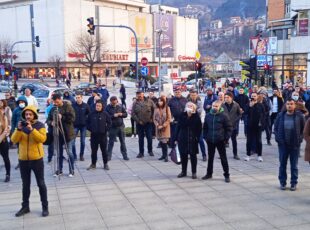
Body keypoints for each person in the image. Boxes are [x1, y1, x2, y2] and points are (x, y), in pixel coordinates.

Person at [11, 105, 48, 217]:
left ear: (34, 115)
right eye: (26, 114)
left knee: (41, 183)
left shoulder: (39, 125)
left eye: (30, 114)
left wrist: (32, 130)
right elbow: (13, 140)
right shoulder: (21, 126)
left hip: (36, 159)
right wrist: (18, 130)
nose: (28, 116)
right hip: (23, 160)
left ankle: (45, 207)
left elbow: (42, 139)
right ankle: (25, 207)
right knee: (25, 185)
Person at [275, 99, 305, 191]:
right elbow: (275, 128)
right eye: (288, 104)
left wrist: (299, 139)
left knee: (294, 165)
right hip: (283, 144)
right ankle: (282, 182)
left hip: (294, 144)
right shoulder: (280, 116)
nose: (289, 106)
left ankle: (293, 183)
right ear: (285, 105)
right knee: (282, 164)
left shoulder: (299, 116)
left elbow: (303, 130)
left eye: (291, 104)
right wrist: (278, 139)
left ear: (295, 105)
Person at [202, 100, 233, 183]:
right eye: (213, 106)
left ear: (220, 107)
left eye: (216, 106)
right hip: (210, 140)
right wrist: (205, 137)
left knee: (223, 158)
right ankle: (209, 173)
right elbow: (205, 128)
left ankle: (226, 175)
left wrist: (225, 139)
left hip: (220, 140)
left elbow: (229, 128)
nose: (214, 107)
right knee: (210, 158)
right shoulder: (208, 115)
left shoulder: (224, 116)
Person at [47, 94, 76, 177]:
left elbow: (73, 118)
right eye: (54, 102)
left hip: (68, 133)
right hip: (57, 134)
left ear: (60, 99)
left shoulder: (68, 107)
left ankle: (71, 170)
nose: (55, 103)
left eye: (56, 102)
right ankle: (59, 170)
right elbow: (48, 119)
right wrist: (51, 123)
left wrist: (62, 117)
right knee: (59, 153)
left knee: (69, 152)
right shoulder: (53, 109)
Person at [176, 102, 202, 179]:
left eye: (191, 106)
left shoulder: (196, 116)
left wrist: (197, 137)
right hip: (183, 138)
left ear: (194, 108)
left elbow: (199, 128)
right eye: (188, 106)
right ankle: (183, 171)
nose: (189, 107)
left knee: (193, 156)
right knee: (183, 156)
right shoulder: (182, 115)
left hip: (192, 139)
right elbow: (180, 126)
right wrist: (175, 138)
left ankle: (194, 172)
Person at [87, 100, 112, 170]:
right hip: (94, 136)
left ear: (102, 106)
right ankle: (93, 164)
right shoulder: (91, 114)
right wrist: (91, 129)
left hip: (103, 136)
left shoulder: (105, 114)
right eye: (97, 106)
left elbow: (110, 123)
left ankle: (105, 164)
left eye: (99, 106)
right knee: (94, 151)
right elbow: (87, 123)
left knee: (104, 151)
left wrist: (105, 129)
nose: (98, 107)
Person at [132, 90, 155, 158]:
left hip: (148, 123)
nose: (139, 96)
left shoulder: (149, 101)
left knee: (149, 138)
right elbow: (133, 114)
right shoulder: (135, 103)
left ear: (143, 94)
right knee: (141, 139)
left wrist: (152, 119)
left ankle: (150, 150)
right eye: (138, 95)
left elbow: (154, 110)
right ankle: (141, 152)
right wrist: (138, 121)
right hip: (140, 124)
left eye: (140, 94)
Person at [106, 96, 129, 161]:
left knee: (123, 142)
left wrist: (121, 114)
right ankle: (108, 156)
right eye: (113, 102)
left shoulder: (120, 106)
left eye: (115, 102)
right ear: (110, 102)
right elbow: (106, 117)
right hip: (112, 127)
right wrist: (113, 115)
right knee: (111, 142)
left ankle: (125, 155)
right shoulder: (107, 107)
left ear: (117, 101)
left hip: (121, 126)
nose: (114, 103)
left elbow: (126, 114)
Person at [244, 92, 265, 162]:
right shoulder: (248, 105)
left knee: (259, 141)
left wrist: (263, 124)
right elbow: (245, 113)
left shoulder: (260, 105)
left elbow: (264, 115)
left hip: (258, 126)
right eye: (252, 96)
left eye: (254, 96)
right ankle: (248, 155)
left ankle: (259, 155)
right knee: (249, 141)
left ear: (257, 97)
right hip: (250, 125)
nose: (253, 97)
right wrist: (250, 106)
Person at [188, 89, 206, 161]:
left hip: (198, 123)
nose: (193, 96)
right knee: (190, 139)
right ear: (190, 95)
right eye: (192, 95)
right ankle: (191, 154)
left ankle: (204, 155)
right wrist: (192, 111)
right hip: (190, 123)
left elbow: (199, 111)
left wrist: (192, 111)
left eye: (194, 95)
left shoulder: (199, 102)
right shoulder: (188, 102)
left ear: (197, 95)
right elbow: (186, 110)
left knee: (200, 140)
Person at [222, 92, 242, 160]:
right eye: (225, 98)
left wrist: (235, 120)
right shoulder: (222, 105)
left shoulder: (236, 105)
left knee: (234, 140)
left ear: (231, 97)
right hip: (225, 126)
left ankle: (235, 154)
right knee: (223, 141)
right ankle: (222, 154)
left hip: (233, 126)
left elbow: (240, 114)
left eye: (227, 97)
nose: (226, 99)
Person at [72, 94, 90, 161]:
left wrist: (87, 122)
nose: (77, 99)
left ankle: (81, 155)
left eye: (79, 97)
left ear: (81, 98)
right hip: (75, 126)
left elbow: (89, 114)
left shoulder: (86, 105)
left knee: (82, 141)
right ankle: (74, 156)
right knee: (72, 142)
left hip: (83, 126)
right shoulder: (73, 105)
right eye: (76, 98)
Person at [153, 96, 171, 162]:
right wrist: (157, 124)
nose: (159, 102)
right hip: (158, 128)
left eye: (161, 101)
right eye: (158, 101)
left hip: (165, 128)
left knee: (164, 142)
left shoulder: (167, 108)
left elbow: (169, 119)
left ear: (164, 101)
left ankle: (166, 156)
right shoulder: (156, 109)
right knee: (161, 142)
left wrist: (163, 125)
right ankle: (163, 155)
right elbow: (154, 118)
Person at [0, 102, 10, 182]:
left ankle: (8, 174)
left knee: (6, 158)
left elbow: (6, 130)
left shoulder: (4, 117)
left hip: (3, 141)